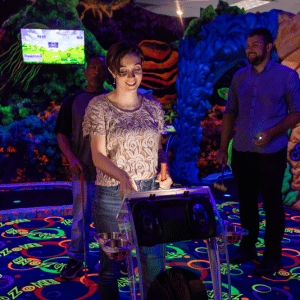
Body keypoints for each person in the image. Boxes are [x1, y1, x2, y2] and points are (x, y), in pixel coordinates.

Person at [82, 40, 173, 299]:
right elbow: (98, 156)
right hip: (112, 196)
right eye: (124, 70)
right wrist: (122, 175)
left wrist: (164, 174)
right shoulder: (99, 106)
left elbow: (158, 151)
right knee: (111, 268)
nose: (132, 77)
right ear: (112, 71)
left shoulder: (154, 107)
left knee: (154, 264)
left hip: (149, 194)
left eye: (137, 69)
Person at [216, 28, 300, 276]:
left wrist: (272, 132)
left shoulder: (287, 76)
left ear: (268, 47)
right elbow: (229, 113)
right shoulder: (239, 77)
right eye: (248, 45)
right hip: (242, 150)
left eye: (255, 44)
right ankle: (247, 246)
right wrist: (223, 149)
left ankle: (273, 256)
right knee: (247, 203)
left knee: (273, 205)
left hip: (271, 152)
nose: (249, 49)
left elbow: (296, 112)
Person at [54, 56, 108, 280]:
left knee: (114, 219)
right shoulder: (73, 101)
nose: (96, 71)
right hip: (84, 172)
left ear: (108, 73)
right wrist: (72, 159)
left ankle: (115, 259)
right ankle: (77, 258)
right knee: (80, 218)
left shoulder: (116, 99)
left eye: (101, 68)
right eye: (93, 67)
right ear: (85, 72)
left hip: (112, 176)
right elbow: (61, 134)